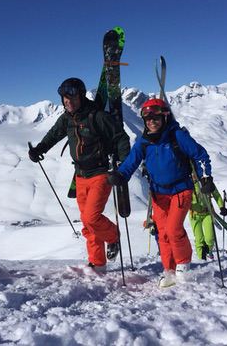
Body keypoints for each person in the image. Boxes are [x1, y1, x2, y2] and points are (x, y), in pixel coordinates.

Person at [108, 98, 215, 288]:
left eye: (156, 117)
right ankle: (169, 270)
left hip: (181, 189)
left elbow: (200, 155)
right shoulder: (144, 142)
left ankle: (183, 265)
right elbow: (131, 162)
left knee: (174, 229)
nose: (152, 121)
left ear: (164, 117)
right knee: (162, 233)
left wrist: (206, 178)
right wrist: (120, 176)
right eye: (148, 118)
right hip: (158, 194)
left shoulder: (177, 136)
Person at [28, 77, 130, 272]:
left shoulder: (97, 116)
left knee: (92, 217)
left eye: (72, 98)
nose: (68, 102)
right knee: (87, 222)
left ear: (81, 97)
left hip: (101, 173)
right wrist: (39, 149)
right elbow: (54, 135)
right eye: (65, 99)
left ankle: (113, 237)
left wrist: (123, 165)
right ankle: (97, 264)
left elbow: (120, 138)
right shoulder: (67, 118)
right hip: (80, 175)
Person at [189, 181, 227, 260]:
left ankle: (209, 251)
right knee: (199, 240)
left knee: (209, 239)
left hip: (207, 213)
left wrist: (221, 207)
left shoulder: (207, 180)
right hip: (194, 215)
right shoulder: (187, 182)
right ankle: (201, 260)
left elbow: (216, 195)